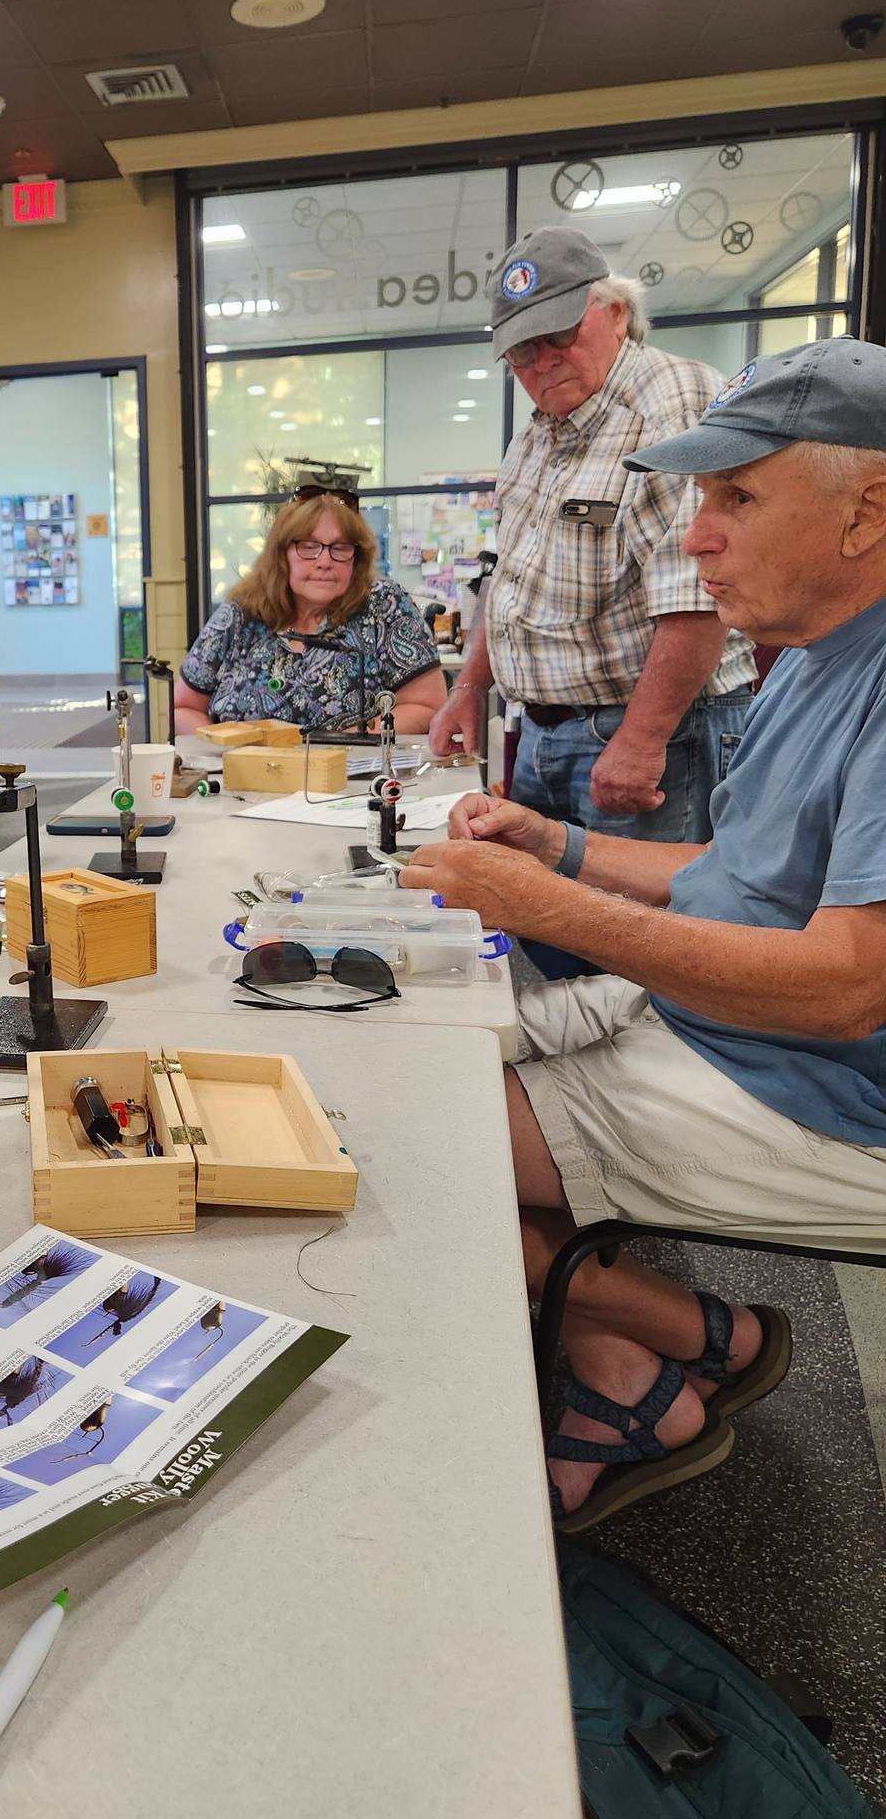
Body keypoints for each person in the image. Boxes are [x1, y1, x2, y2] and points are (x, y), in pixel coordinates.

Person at [401, 336, 886, 1533]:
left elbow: (845, 987)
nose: (696, 535)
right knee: (438, 1049)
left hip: (813, 1091)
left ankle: (697, 1336)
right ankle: (634, 1369)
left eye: (735, 497)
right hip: (717, 1037)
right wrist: (549, 844)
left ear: (867, 509)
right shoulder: (813, 658)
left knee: (409, 1137)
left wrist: (546, 908)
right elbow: (733, 875)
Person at [429, 227, 756, 848]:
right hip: (545, 737)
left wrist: (641, 739)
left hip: (656, 735)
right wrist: (470, 687)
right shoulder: (537, 433)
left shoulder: (675, 403)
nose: (541, 361)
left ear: (615, 313)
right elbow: (506, 582)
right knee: (543, 927)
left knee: (636, 934)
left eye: (557, 335)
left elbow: (701, 592)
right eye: (520, 353)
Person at [175, 486, 445, 736]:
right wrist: (225, 750)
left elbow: (427, 706)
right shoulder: (241, 613)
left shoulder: (384, 606)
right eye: (308, 547)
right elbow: (183, 709)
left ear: (357, 558)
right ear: (281, 555)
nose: (324, 561)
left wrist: (342, 742)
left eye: (340, 548)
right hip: (241, 779)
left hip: (351, 780)